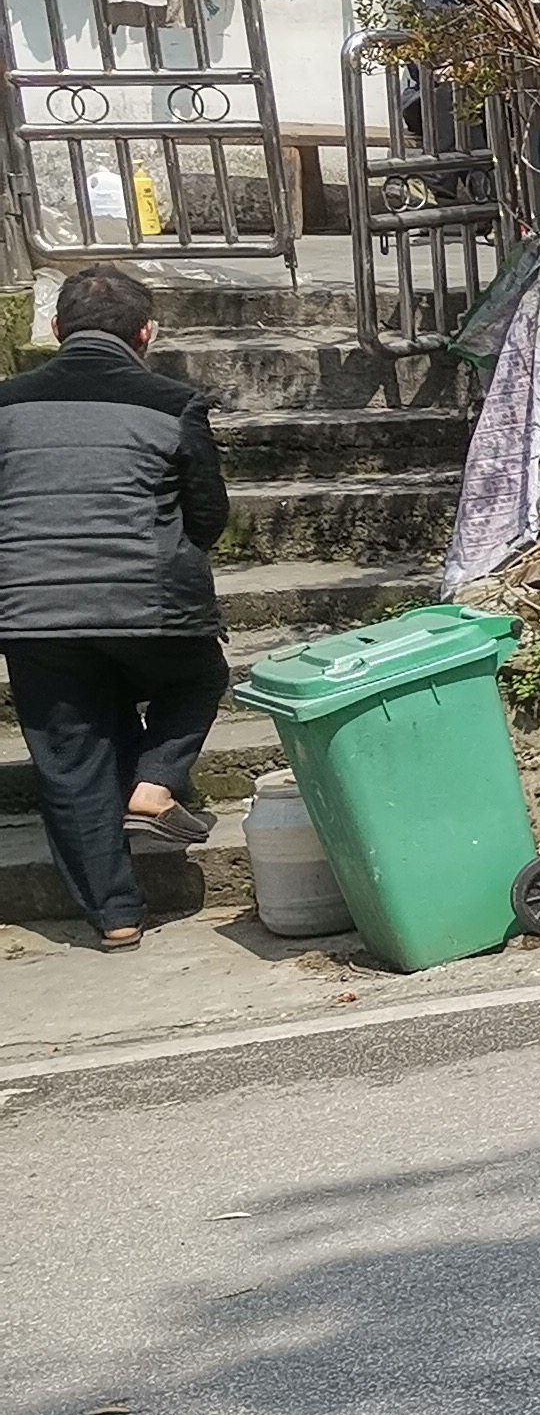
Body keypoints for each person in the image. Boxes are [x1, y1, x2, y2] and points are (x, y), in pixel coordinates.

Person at [0, 263, 232, 948]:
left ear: (54, 328)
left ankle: (116, 916)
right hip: (151, 605)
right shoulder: (173, 402)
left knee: (72, 759)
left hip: (33, 612)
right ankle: (156, 786)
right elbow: (209, 518)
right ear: (147, 333)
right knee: (197, 677)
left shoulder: (4, 404)